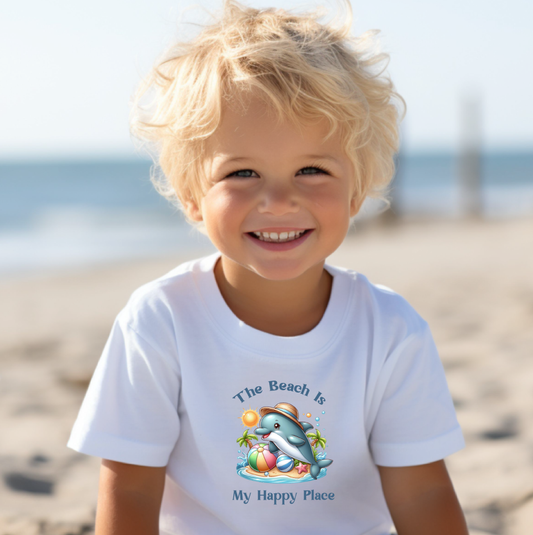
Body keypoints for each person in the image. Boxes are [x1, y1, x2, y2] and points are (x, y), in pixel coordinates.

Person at [67, 1, 469, 533]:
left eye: (311, 169)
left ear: (357, 190)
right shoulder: (160, 321)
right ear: (192, 196)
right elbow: (131, 484)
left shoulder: (390, 330)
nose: (278, 200)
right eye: (244, 172)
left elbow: (422, 492)